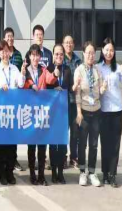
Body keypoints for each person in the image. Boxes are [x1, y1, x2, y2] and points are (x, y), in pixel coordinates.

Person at [22, 44, 57, 186]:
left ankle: (41, 176)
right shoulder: (25, 71)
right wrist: (30, 85)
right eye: (33, 55)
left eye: (37, 55)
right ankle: (32, 174)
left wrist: (55, 74)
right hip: (29, 113)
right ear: (29, 56)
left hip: (42, 113)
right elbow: (22, 85)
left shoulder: (43, 70)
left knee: (42, 146)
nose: (35, 58)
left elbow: (50, 79)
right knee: (31, 146)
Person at [0, 40, 24, 185]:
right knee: (3, 144)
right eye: (2, 51)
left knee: (12, 144)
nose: (5, 54)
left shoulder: (15, 69)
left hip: (14, 111)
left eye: (7, 51)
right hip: (2, 112)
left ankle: (10, 172)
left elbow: (21, 84)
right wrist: (0, 87)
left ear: (10, 52)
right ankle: (1, 172)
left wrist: (23, 73)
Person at [98, 37, 122, 187]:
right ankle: (104, 173)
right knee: (105, 143)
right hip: (103, 111)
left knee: (115, 144)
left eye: (111, 50)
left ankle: (112, 174)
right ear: (102, 51)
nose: (109, 53)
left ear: (114, 52)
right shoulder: (98, 68)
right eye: (106, 50)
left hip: (117, 111)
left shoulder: (118, 68)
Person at [73, 41, 102, 187]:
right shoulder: (79, 70)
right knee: (82, 143)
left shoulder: (97, 70)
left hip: (96, 111)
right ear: (83, 53)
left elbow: (100, 90)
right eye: (88, 52)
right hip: (83, 111)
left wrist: (103, 89)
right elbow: (77, 93)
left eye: (93, 53)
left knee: (94, 144)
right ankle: (82, 172)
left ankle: (92, 172)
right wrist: (79, 112)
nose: (91, 55)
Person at [48, 43, 73, 185]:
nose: (59, 56)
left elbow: (71, 88)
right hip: (52, 112)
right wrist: (53, 88)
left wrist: (74, 86)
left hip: (64, 111)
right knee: (53, 143)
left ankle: (60, 173)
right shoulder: (48, 69)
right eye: (56, 54)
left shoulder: (68, 69)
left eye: (61, 54)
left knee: (62, 142)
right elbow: (45, 88)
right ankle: (53, 172)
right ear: (53, 55)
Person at [62, 34, 82, 169]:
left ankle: (73, 157)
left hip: (75, 101)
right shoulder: (60, 58)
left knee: (75, 131)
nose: (68, 45)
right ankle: (63, 157)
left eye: (70, 42)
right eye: (66, 42)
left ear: (73, 45)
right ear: (63, 44)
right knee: (64, 130)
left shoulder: (78, 60)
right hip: (63, 101)